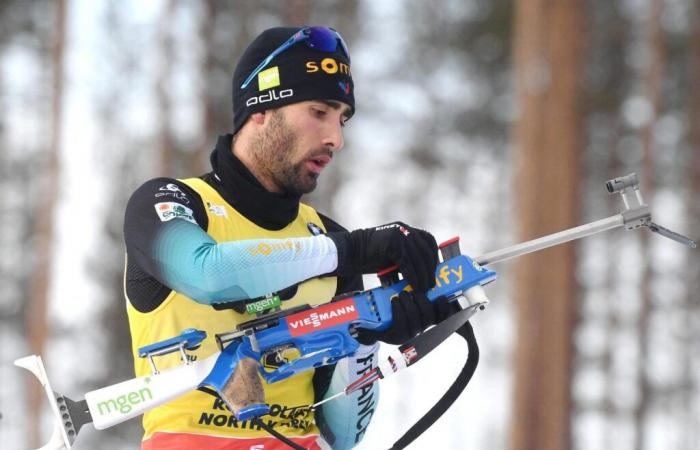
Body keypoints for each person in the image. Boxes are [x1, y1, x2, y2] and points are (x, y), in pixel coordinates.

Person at [123, 26, 448, 450]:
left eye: (342, 119)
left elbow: (343, 435)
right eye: (319, 111)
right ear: (261, 108)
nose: (336, 139)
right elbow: (209, 274)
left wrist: (366, 338)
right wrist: (353, 251)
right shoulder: (173, 202)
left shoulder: (328, 238)